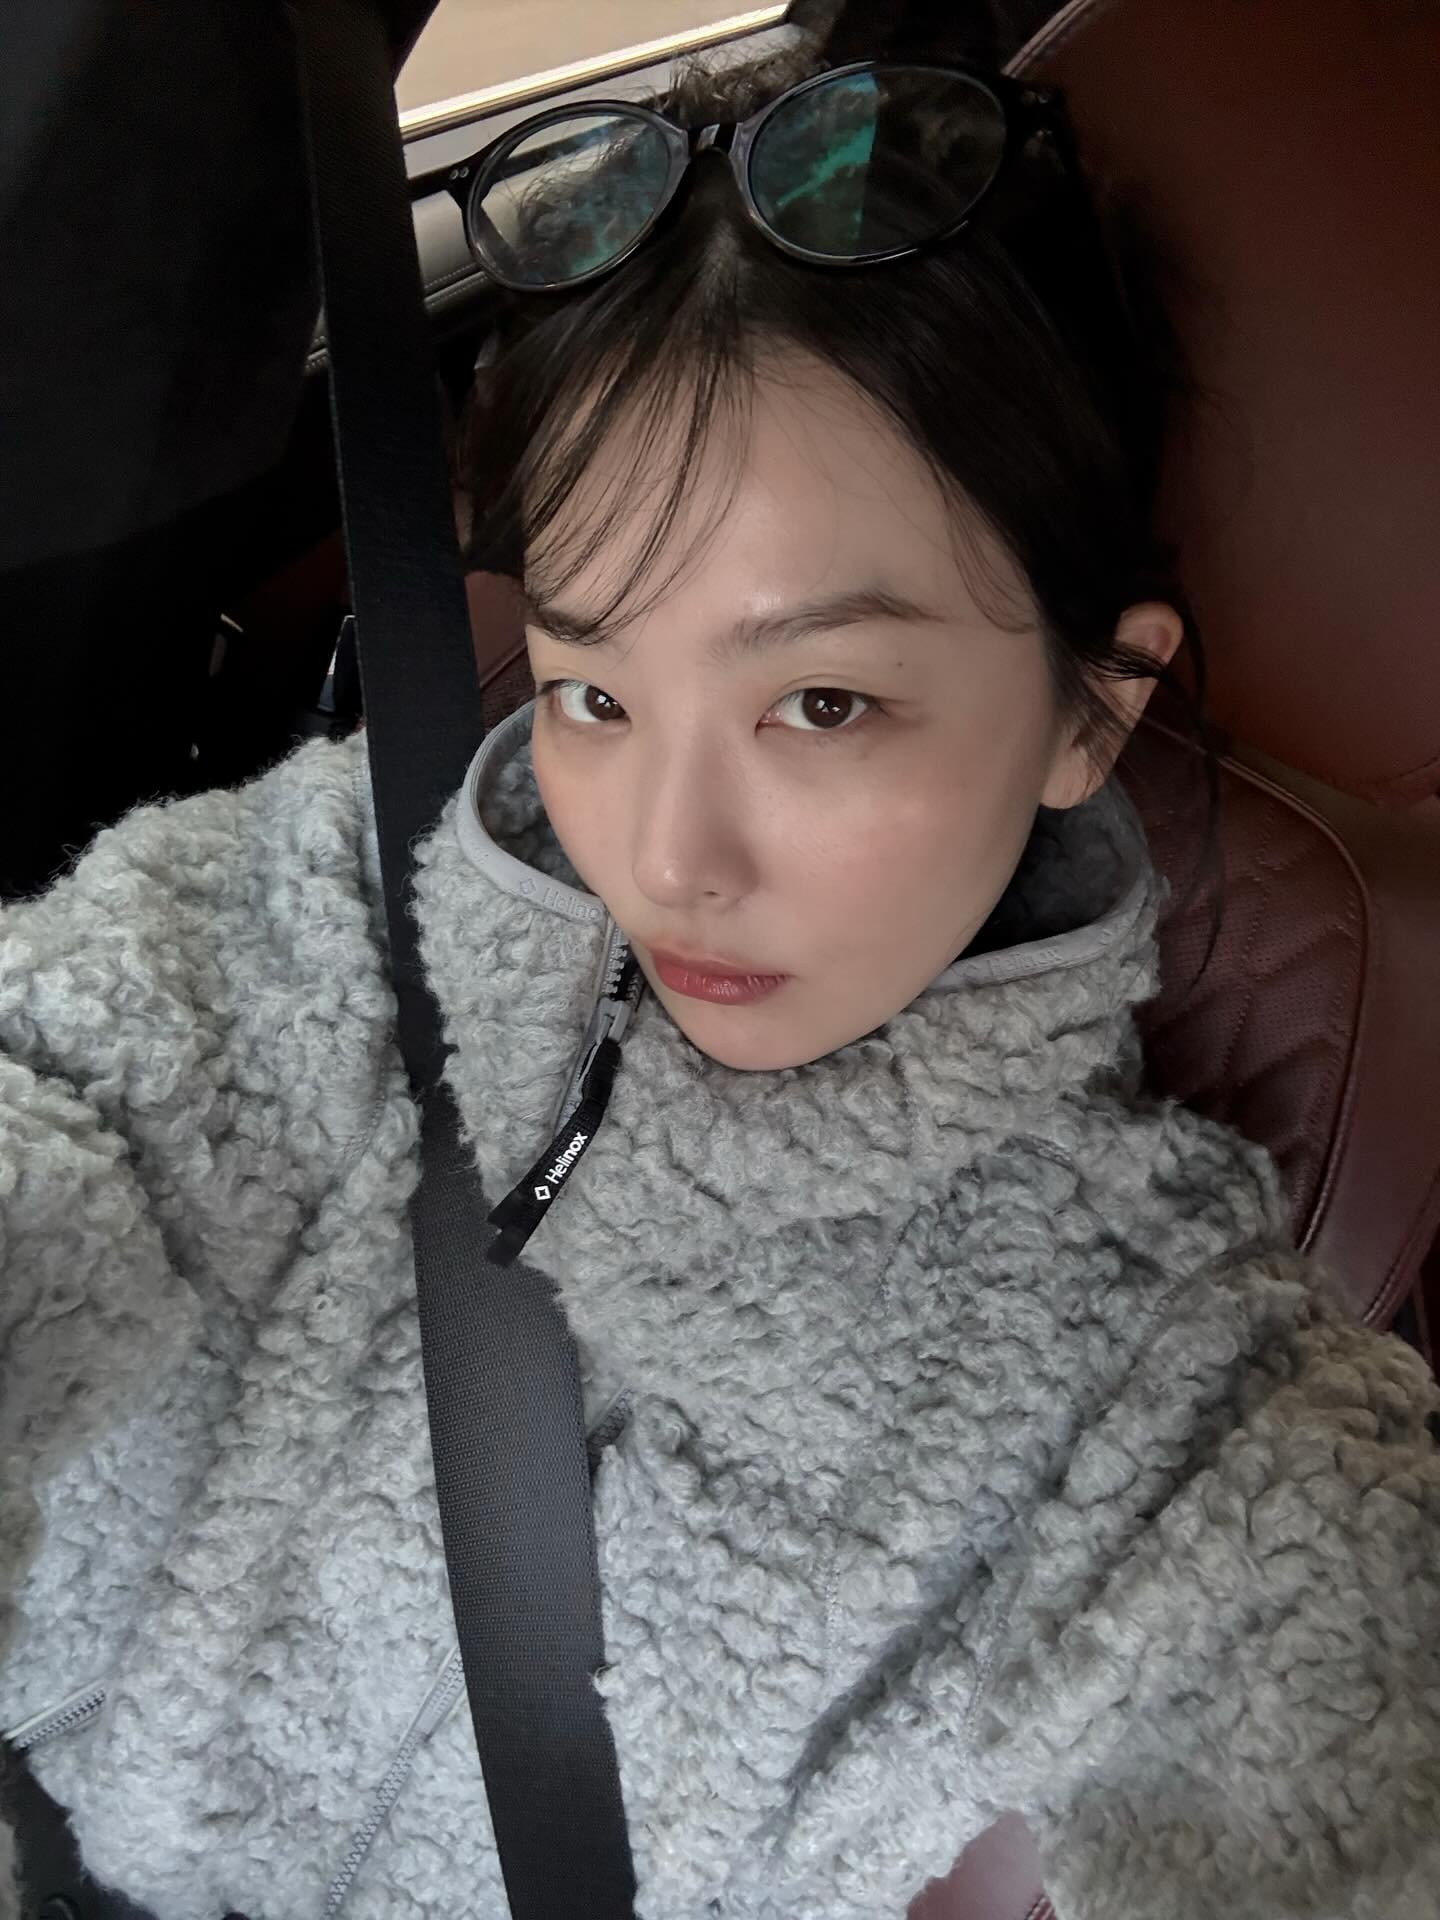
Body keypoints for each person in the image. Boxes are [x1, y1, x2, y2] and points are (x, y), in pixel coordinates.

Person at [2, 39, 1438, 1920]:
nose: (663, 857)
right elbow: (56, 1105)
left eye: (820, 702)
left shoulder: (1155, 1399)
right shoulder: (339, 893)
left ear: (1095, 705)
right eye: (594, 689)